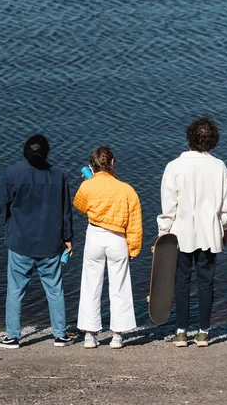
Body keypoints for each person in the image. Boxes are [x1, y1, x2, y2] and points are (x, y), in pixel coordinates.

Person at [0, 135, 74, 349]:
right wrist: (68, 237)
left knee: (16, 290)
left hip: (20, 243)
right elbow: (65, 211)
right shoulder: (59, 176)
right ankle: (60, 335)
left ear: (25, 151)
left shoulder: (12, 173)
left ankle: (13, 337)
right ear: (47, 152)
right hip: (50, 243)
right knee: (54, 289)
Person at [157, 117, 227, 347]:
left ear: (190, 137)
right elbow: (226, 206)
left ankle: (181, 331)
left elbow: (168, 206)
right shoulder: (219, 167)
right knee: (206, 282)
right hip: (209, 233)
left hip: (181, 233)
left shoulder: (174, 166)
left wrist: (163, 233)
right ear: (213, 140)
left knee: (182, 281)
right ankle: (203, 331)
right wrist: (224, 229)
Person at [74, 146, 142, 349]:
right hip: (117, 239)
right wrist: (134, 248)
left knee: (90, 285)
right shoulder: (127, 189)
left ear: (92, 166)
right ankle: (117, 336)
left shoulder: (88, 186)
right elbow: (135, 223)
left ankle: (89, 335)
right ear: (112, 163)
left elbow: (79, 205)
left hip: (95, 236)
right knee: (119, 286)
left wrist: (88, 182)